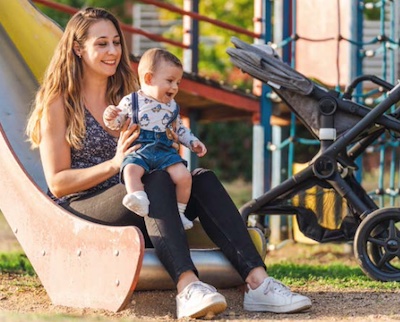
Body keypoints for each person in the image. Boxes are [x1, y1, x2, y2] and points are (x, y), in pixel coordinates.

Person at [26, 7, 312, 319]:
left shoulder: (129, 95)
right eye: (102, 44)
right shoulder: (59, 103)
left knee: (201, 178)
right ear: (79, 48)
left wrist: (170, 144)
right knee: (155, 181)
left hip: (145, 200)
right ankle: (188, 287)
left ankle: (258, 283)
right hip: (86, 207)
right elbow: (58, 182)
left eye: (116, 43)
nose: (112, 51)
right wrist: (115, 164)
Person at [103, 48, 207, 230]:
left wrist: (193, 142)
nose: (175, 87)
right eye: (170, 81)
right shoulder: (131, 101)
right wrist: (110, 116)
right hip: (139, 148)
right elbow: (117, 123)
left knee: (184, 177)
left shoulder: (172, 106)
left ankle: (180, 212)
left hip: (164, 150)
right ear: (149, 79)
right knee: (130, 170)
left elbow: (180, 129)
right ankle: (138, 197)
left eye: (178, 82)